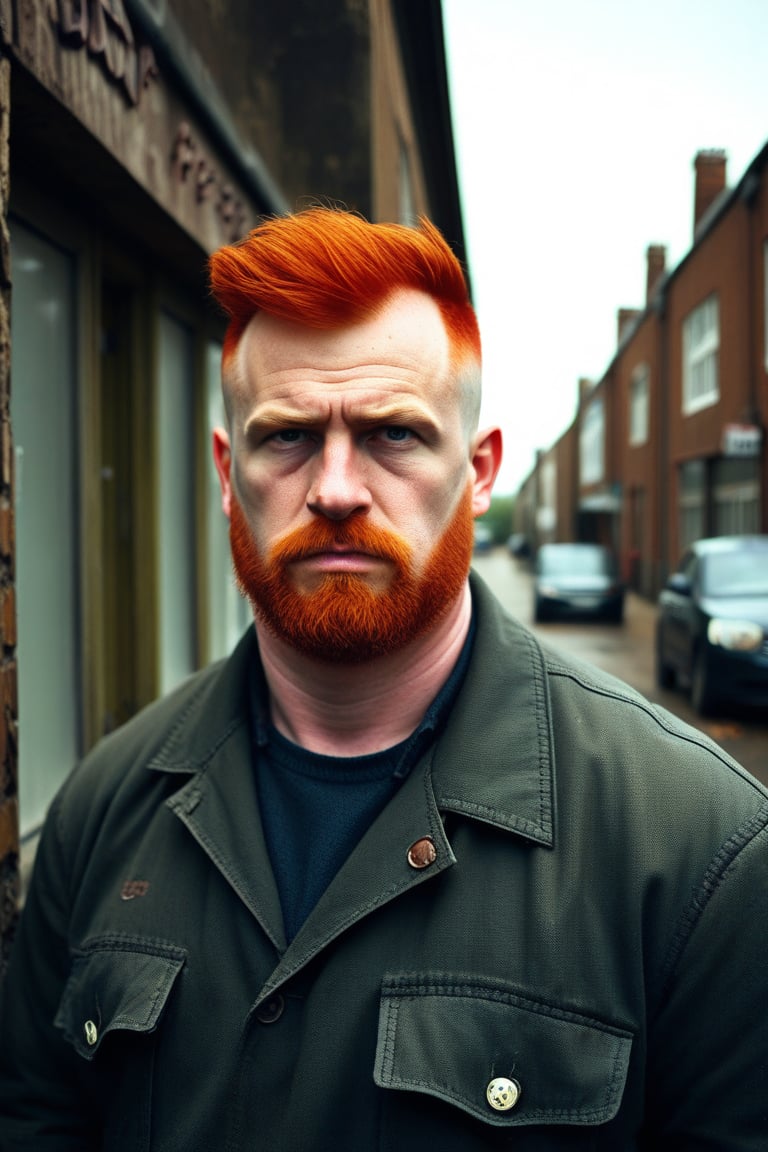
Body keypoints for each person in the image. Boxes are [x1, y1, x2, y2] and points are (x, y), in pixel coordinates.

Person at [0, 207, 766, 1151]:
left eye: (394, 434)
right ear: (224, 468)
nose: (334, 488)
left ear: (480, 472)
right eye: (284, 437)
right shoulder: (102, 814)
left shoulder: (699, 852)